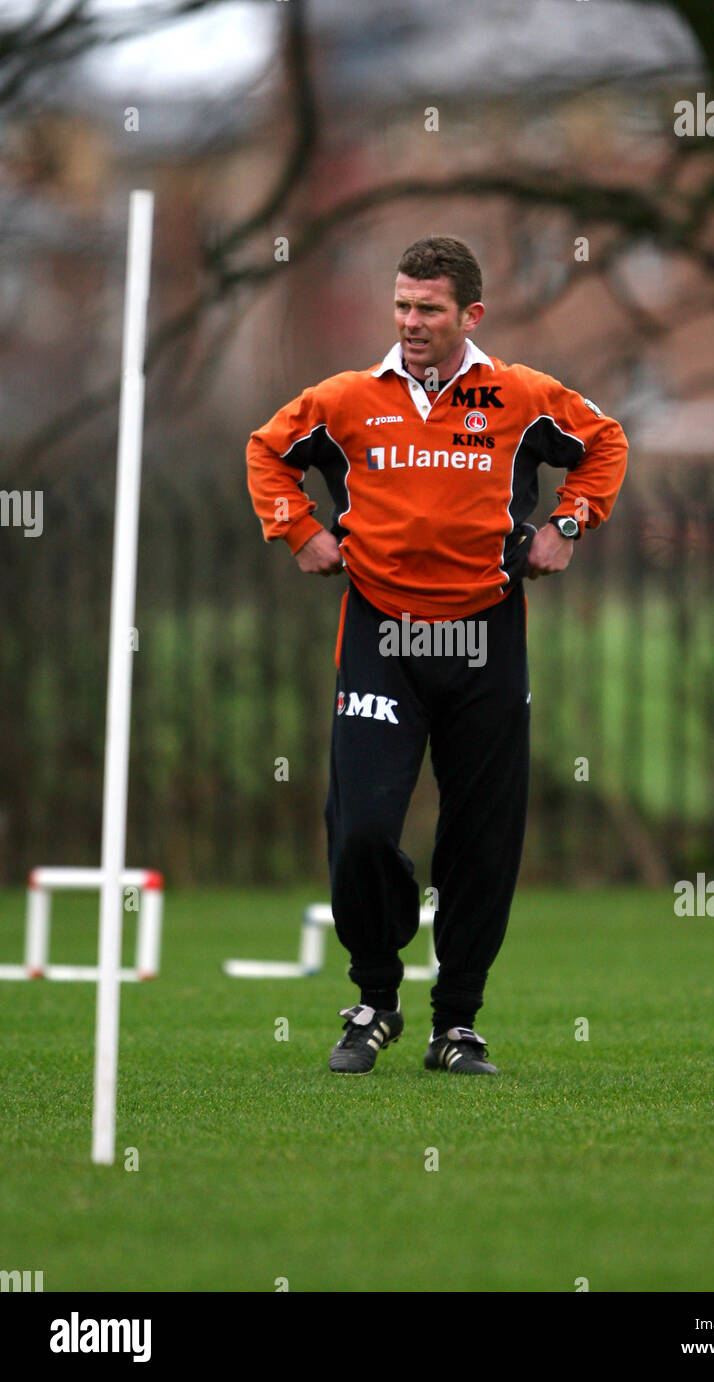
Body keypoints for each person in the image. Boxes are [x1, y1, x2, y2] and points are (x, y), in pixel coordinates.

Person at [246, 236, 627, 1075]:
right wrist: (300, 530)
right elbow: (266, 450)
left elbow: (605, 443)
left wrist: (567, 525)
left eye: (429, 309)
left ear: (470, 316)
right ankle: (374, 1000)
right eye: (402, 306)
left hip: (487, 635)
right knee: (364, 832)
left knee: (483, 835)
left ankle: (456, 1022)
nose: (411, 322)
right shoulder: (346, 400)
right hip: (382, 636)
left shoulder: (521, 395)